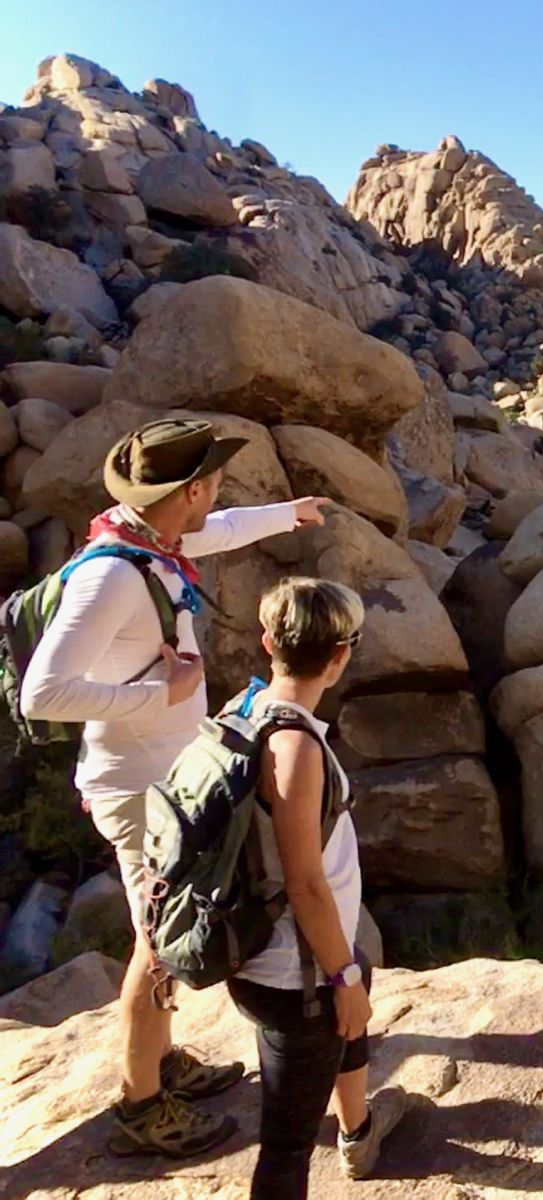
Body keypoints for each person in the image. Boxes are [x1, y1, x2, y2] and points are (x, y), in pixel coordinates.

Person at [20, 417, 330, 1157]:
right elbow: (43, 693)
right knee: (159, 946)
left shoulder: (150, 540)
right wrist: (159, 695)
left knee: (159, 936)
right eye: (213, 480)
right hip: (138, 790)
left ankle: (160, 1061)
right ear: (189, 489)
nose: (218, 492)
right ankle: (140, 1103)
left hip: (165, 783)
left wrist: (288, 514)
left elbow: (214, 530)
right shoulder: (112, 574)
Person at [227, 576, 409, 1196]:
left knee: (352, 985)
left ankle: (358, 1130)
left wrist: (346, 969)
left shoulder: (246, 709)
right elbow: (305, 883)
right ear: (339, 659)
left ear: (267, 640)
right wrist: (342, 979)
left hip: (280, 948)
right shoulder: (295, 747)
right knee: (284, 1150)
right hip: (296, 972)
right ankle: (346, 1133)